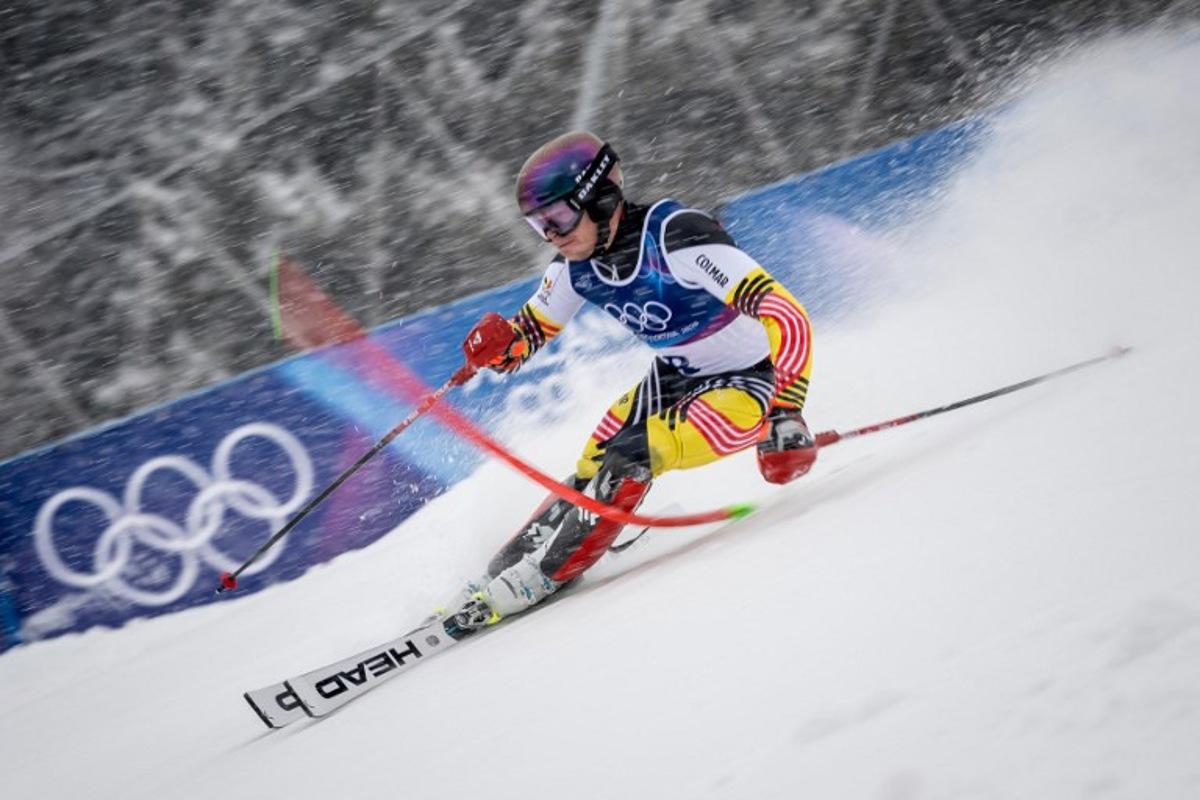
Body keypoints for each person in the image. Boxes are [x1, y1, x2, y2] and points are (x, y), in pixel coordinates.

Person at [445, 131, 815, 634]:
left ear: (601, 198)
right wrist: (500, 346)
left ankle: (545, 575)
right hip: (676, 376)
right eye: (539, 226)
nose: (552, 236)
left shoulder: (677, 235)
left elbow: (785, 314)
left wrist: (786, 413)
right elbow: (530, 333)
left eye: (558, 218)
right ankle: (506, 569)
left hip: (749, 383)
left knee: (636, 452)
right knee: (594, 459)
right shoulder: (574, 269)